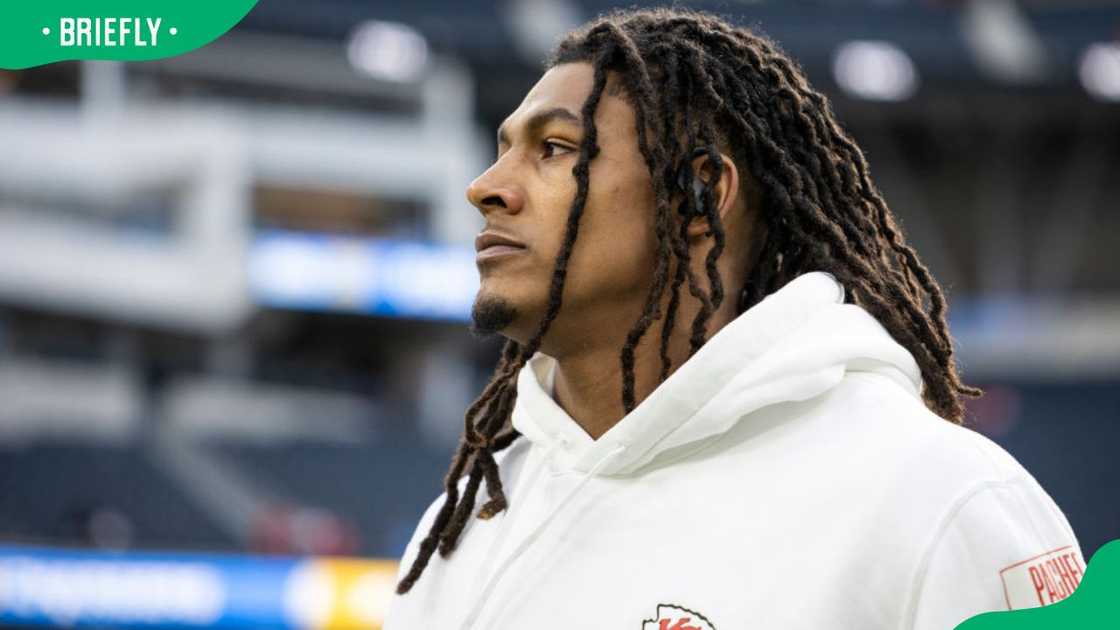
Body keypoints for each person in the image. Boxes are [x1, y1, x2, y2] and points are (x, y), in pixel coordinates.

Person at [383, 7, 1084, 629]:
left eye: (555, 150)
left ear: (699, 193)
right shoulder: (464, 527)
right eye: (503, 148)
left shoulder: (940, 503)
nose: (486, 187)